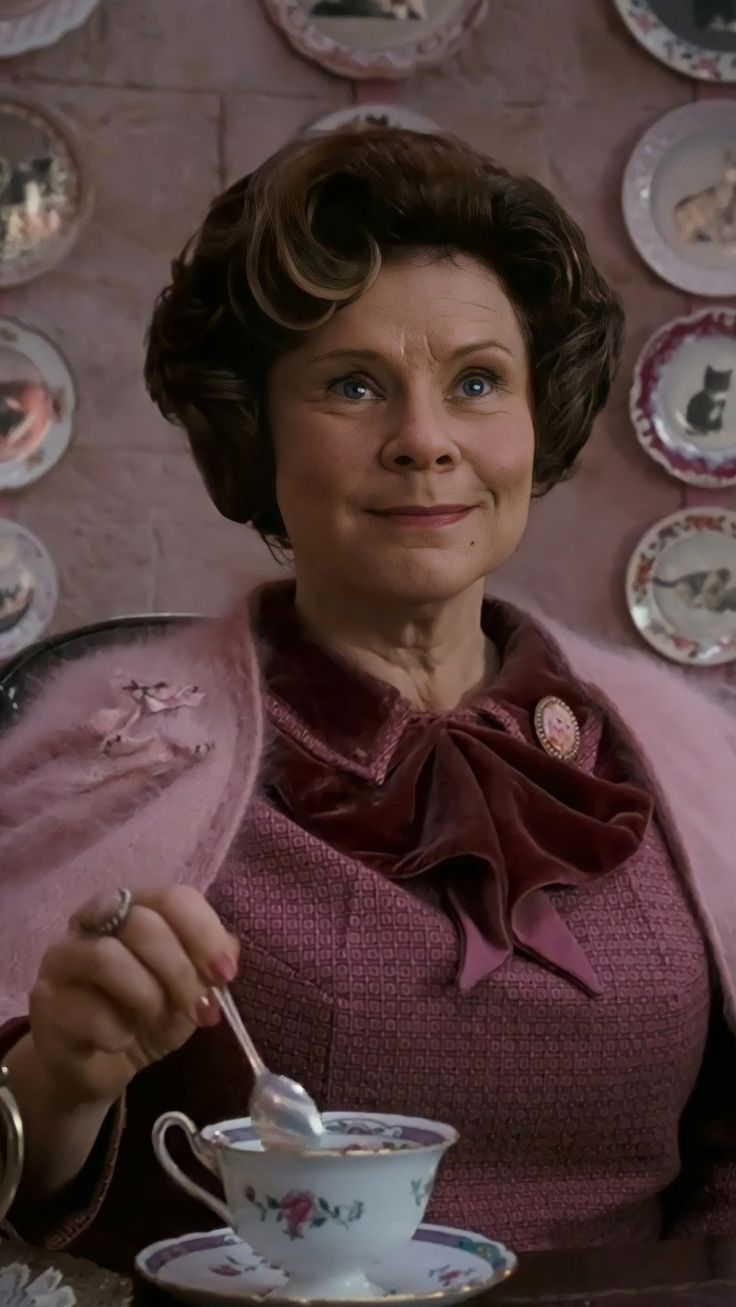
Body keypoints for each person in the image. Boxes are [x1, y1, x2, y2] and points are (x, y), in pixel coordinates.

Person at [2, 126, 736, 1272]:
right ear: (255, 427)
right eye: (354, 384)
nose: (426, 442)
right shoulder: (117, 754)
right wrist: (58, 1081)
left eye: (478, 382)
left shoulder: (688, 755)